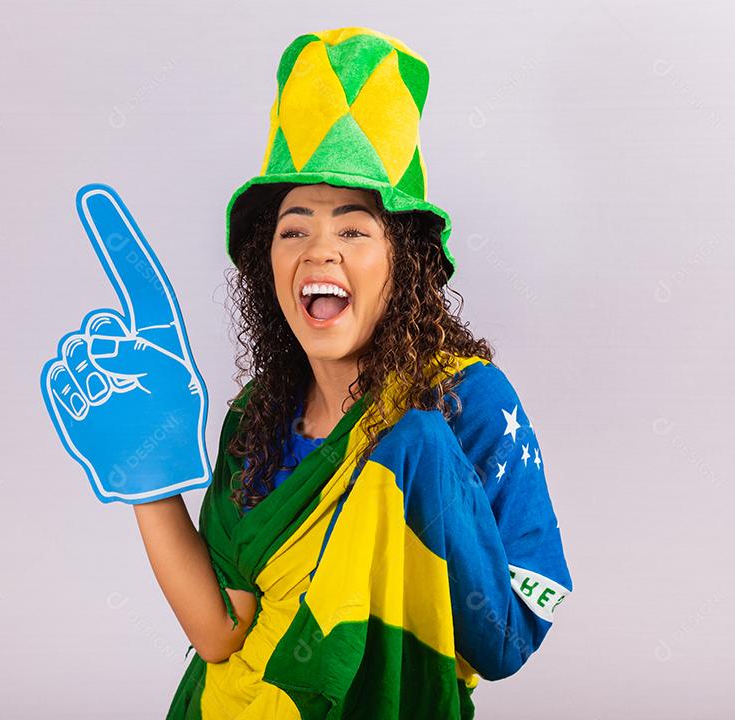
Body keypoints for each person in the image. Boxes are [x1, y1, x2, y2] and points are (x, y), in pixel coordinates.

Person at [132, 27, 573, 719]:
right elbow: (221, 633)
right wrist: (145, 476)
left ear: (404, 261)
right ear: (267, 265)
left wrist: (415, 466)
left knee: (417, 441)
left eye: (353, 229)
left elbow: (508, 641)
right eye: (294, 229)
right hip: (225, 707)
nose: (319, 251)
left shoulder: (467, 401)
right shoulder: (257, 416)